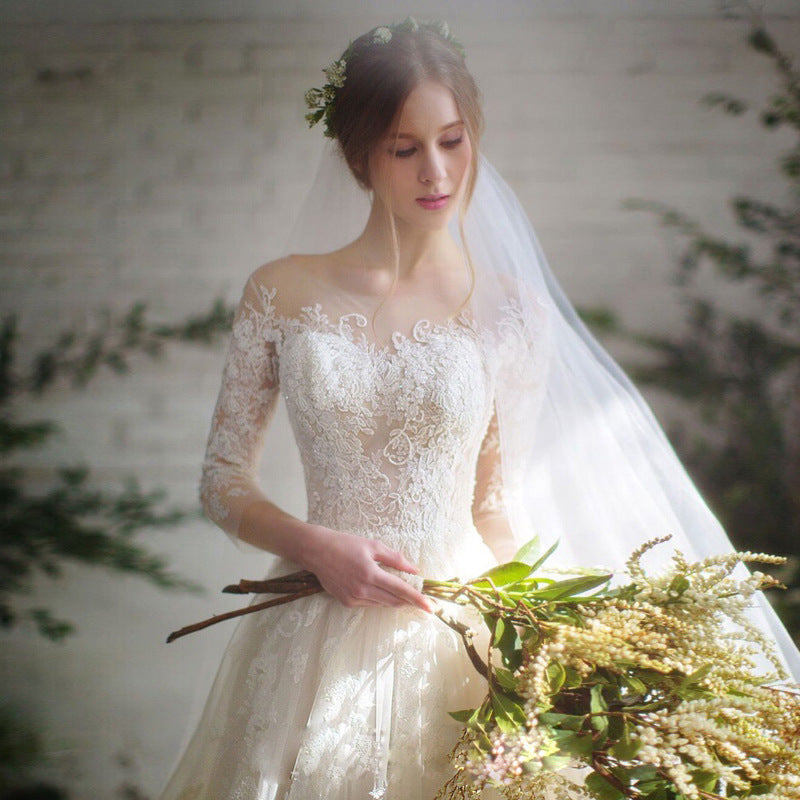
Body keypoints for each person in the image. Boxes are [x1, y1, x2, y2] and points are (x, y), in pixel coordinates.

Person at [158, 17, 800, 800]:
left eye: (452, 141)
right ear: (360, 156)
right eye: (405, 147)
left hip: (453, 634)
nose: (436, 171)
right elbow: (222, 479)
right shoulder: (280, 290)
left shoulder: (511, 311)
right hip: (306, 628)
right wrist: (316, 546)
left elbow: (497, 504)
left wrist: (557, 645)